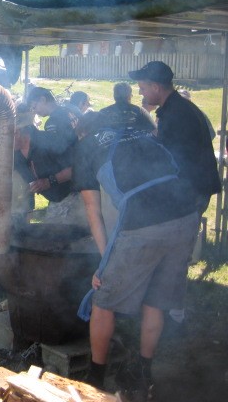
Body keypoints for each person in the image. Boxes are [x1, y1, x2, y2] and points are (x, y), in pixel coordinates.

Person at [73, 111, 199, 401]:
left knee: (103, 301)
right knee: (156, 298)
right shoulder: (140, 135)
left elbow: (93, 212)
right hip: (186, 216)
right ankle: (143, 372)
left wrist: (104, 265)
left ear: (84, 131)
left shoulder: (85, 146)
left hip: (145, 226)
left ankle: (96, 378)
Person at [131, 61, 220, 216]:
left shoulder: (176, 114)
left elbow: (172, 157)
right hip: (196, 186)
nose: (140, 93)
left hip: (192, 189)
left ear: (155, 87)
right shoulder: (177, 107)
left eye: (142, 88)